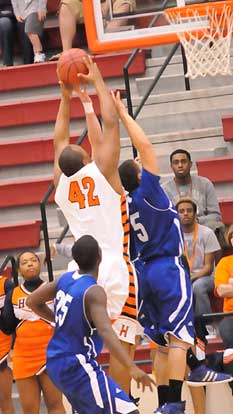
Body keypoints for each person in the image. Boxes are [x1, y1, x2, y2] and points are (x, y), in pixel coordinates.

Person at [52, 55, 138, 394]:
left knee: (84, 346)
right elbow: (111, 123)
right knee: (122, 342)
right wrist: (98, 80)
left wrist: (65, 97)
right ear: (87, 159)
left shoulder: (61, 183)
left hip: (79, 272)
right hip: (113, 266)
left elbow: (59, 142)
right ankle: (120, 404)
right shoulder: (104, 172)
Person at [113, 91, 194, 414]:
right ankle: (174, 403)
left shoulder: (126, 204)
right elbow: (145, 146)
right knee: (180, 339)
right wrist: (121, 112)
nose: (141, 162)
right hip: (166, 267)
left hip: (142, 273)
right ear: (137, 176)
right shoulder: (148, 191)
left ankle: (163, 406)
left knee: (160, 345)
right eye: (137, 165)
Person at [26, 235, 155, 414]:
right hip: (76, 363)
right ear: (100, 256)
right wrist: (131, 367)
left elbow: (32, 301)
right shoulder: (93, 292)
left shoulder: (65, 279)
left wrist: (59, 320)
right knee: (130, 412)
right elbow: (105, 330)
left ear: (75, 259)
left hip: (55, 361)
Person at [0, 251, 65, 414]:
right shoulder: (13, 295)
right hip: (24, 357)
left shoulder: (53, 289)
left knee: (55, 404)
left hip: (50, 353)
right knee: (29, 409)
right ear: (19, 270)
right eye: (24, 262)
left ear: (40, 264)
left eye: (33, 260)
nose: (29, 264)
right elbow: (7, 328)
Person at [176, 197, 221, 317]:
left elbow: (208, 268)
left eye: (189, 210)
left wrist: (191, 278)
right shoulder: (174, 235)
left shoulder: (207, 233)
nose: (185, 213)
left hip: (207, 277)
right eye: (181, 211)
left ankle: (206, 324)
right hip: (184, 276)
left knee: (198, 287)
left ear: (195, 213)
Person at [49, 0, 136, 61]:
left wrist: (107, 4)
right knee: (66, 4)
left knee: (124, 4)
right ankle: (66, 53)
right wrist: (93, 6)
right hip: (88, 5)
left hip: (114, 3)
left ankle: (108, 45)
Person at [162, 149, 223, 234]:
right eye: (176, 162)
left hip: (203, 229)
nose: (180, 165)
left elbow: (216, 216)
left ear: (190, 164)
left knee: (218, 226)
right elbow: (163, 219)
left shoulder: (205, 183)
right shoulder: (164, 189)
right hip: (178, 232)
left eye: (183, 161)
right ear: (171, 166)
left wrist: (196, 221)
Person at [215, 224, 233, 389]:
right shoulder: (225, 263)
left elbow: (228, 289)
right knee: (230, 349)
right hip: (230, 315)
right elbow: (221, 290)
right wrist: (227, 288)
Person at [0, 0, 33, 66]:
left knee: (25, 23)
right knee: (5, 24)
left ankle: (29, 63)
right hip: (3, 15)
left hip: (21, 13)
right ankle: (7, 64)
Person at [0, 274, 14, 414]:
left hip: (2, 348)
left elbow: (14, 318)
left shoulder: (6, 284)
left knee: (4, 399)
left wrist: (12, 347)